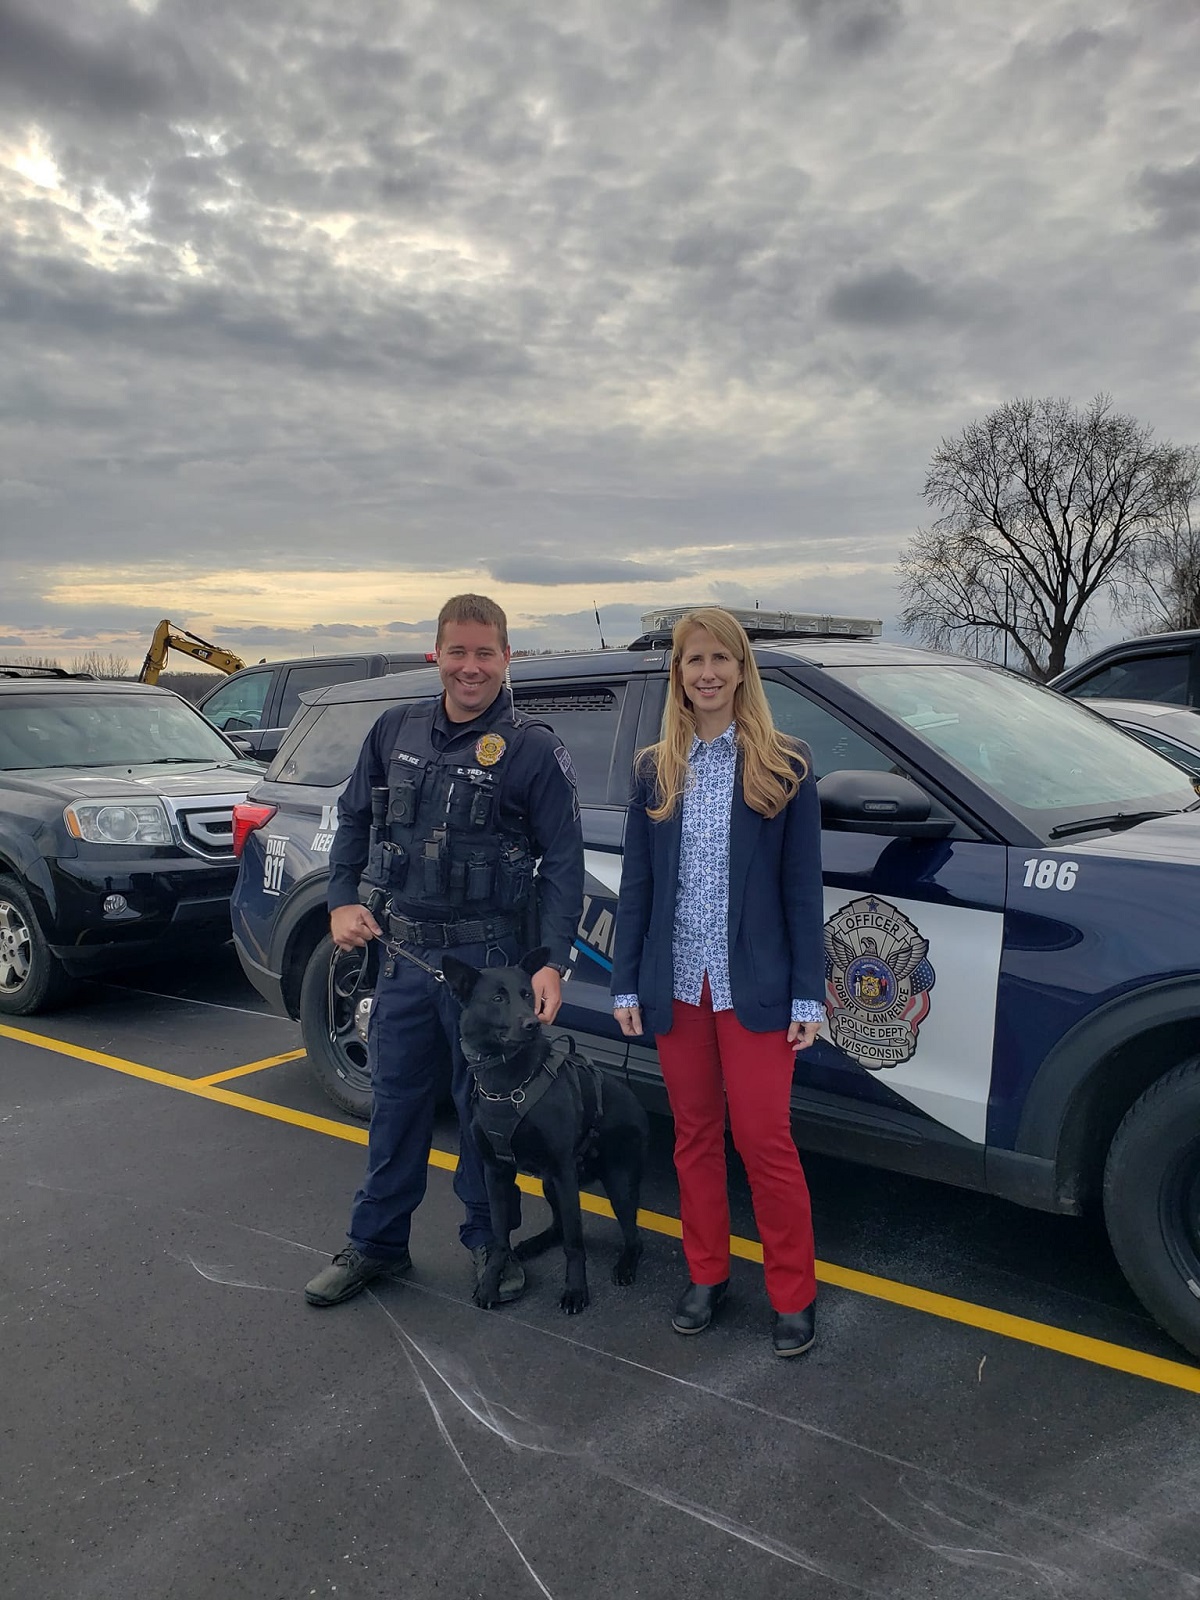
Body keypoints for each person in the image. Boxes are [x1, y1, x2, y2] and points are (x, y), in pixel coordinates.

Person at [305, 594, 584, 1309]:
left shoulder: (531, 748)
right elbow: (354, 819)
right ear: (437, 654)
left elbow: (563, 861)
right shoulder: (394, 729)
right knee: (395, 1106)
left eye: (484, 652)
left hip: (489, 966)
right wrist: (342, 899)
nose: (470, 667)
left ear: (506, 657)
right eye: (457, 651)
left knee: (485, 1116)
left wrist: (549, 959)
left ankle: (492, 1243)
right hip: (404, 957)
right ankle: (376, 1245)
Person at [610, 607, 825, 1358]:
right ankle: (708, 1276)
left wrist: (809, 993)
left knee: (765, 1140)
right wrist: (628, 983)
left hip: (756, 989)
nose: (706, 673)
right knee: (695, 1138)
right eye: (692, 660)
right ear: (678, 672)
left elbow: (803, 893)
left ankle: (792, 1292)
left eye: (719, 660)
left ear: (741, 669)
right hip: (679, 987)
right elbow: (637, 886)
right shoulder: (653, 769)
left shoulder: (784, 765)